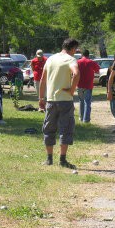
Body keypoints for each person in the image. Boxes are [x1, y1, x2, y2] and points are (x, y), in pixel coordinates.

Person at [39, 38, 80, 169]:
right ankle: (62, 160)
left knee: (49, 129)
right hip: (65, 101)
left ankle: (49, 159)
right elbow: (77, 73)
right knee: (65, 129)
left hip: (51, 100)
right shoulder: (71, 59)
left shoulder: (50, 59)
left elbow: (42, 80)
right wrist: (72, 90)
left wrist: (41, 98)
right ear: (73, 49)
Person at [76, 49, 100, 123]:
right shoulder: (91, 62)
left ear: (81, 55)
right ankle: (86, 119)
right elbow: (97, 70)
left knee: (81, 101)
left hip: (79, 84)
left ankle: (81, 117)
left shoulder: (77, 62)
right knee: (87, 102)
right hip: (88, 85)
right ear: (88, 55)